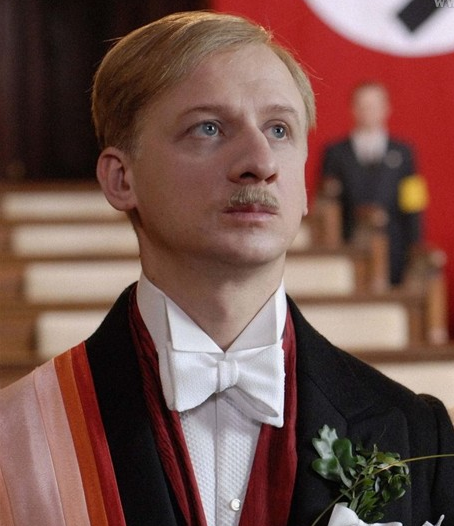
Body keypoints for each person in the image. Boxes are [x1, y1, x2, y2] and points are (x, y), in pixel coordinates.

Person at [0, 11, 453, 526]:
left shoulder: (416, 435)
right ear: (122, 178)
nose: (260, 161)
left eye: (279, 129)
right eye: (209, 128)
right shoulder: (17, 438)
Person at [321, 82, 427, 285]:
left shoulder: (404, 153)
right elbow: (326, 205)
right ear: (352, 109)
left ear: (386, 108)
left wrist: (415, 250)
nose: (368, 111)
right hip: (349, 249)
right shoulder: (335, 153)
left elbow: (414, 205)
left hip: (394, 251)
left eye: (374, 105)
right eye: (363, 105)